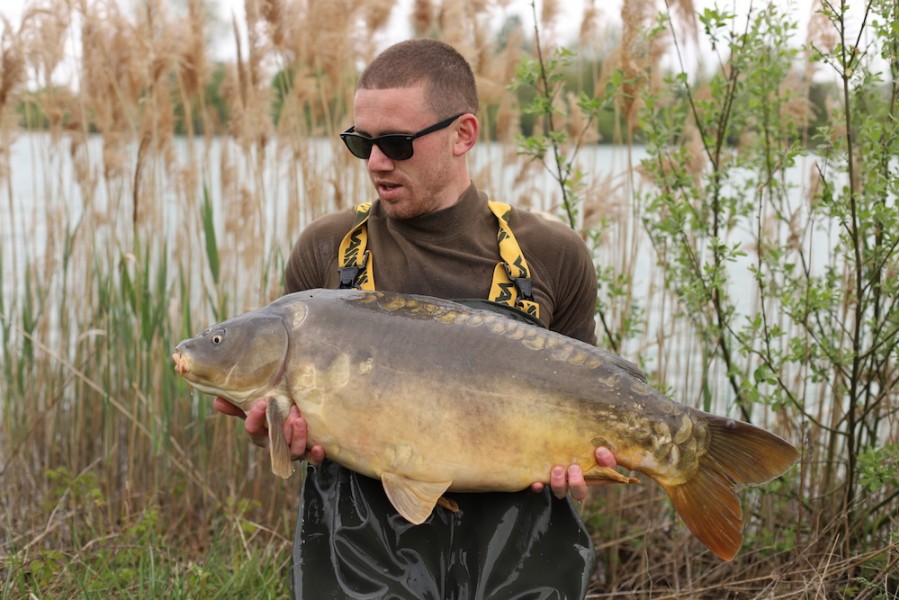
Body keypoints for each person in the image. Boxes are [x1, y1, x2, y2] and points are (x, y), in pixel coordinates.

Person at [215, 38, 620, 599]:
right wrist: (273, 434)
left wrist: (584, 470)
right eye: (361, 143)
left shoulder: (552, 253)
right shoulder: (326, 250)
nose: (376, 162)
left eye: (397, 143)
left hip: (518, 555)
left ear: (464, 135)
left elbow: (582, 405)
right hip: (361, 558)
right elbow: (291, 423)